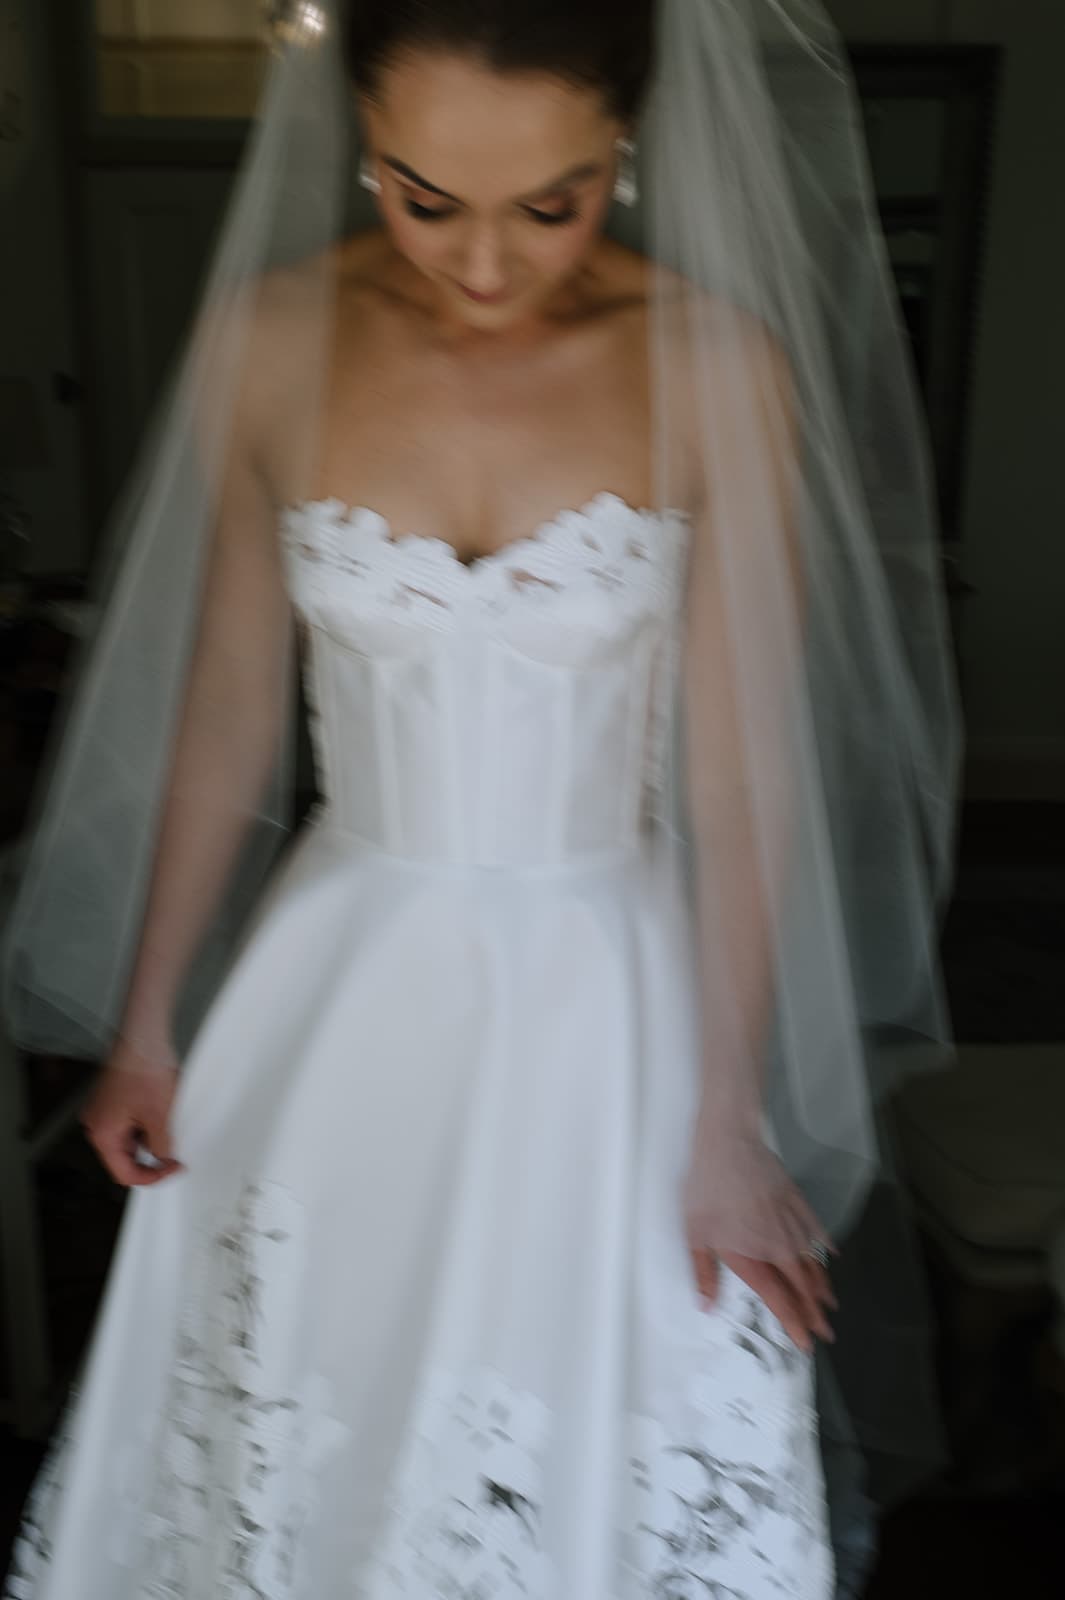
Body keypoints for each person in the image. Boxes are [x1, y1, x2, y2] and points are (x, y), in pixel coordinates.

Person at [2, 2, 960, 1595]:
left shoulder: (715, 361)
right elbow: (232, 708)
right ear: (356, 138)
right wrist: (152, 1020)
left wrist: (729, 1116)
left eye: (554, 201)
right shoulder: (270, 336)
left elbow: (738, 768)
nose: (490, 265)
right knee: (298, 1421)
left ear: (628, 152)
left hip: (609, 996)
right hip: (340, 978)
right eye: (424, 198)